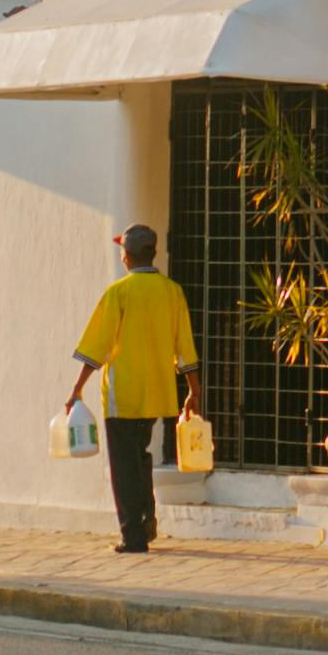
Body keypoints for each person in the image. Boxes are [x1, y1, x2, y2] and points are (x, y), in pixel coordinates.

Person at [66, 224, 202, 556]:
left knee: (124, 466)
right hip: (157, 394)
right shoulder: (172, 292)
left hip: (123, 395)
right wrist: (193, 391)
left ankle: (133, 536)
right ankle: (146, 518)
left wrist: (77, 389)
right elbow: (184, 346)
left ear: (126, 255)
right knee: (140, 458)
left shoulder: (119, 293)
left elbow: (97, 347)